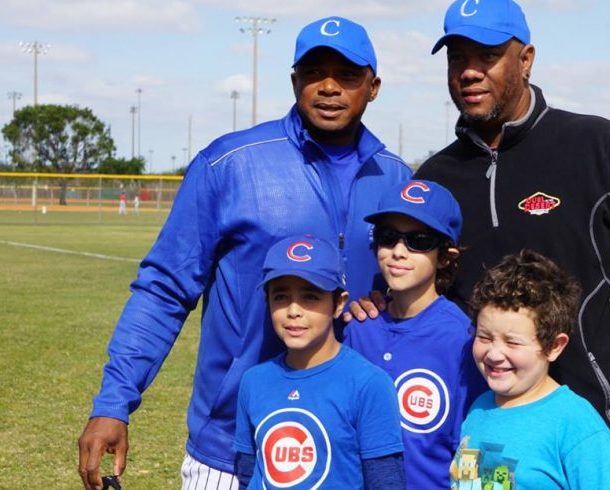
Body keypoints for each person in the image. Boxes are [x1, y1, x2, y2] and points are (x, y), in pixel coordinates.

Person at [77, 16, 411, 490]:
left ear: (373, 87)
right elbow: (164, 290)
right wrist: (114, 401)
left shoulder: (396, 180)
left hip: (346, 446)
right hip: (232, 445)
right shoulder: (230, 164)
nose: (330, 87)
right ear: (295, 80)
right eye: (315, 71)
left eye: (348, 74)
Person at [413, 0, 610, 478]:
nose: (470, 72)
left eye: (487, 55)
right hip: (491, 433)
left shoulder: (597, 147)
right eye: (458, 58)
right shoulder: (439, 178)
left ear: (526, 59)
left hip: (601, 433)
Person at [343, 180, 485, 489]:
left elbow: (473, 444)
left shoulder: (462, 339)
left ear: (445, 256)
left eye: (418, 241)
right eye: (387, 237)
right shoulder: (358, 328)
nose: (398, 252)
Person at [235, 235, 405, 489]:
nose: (294, 310)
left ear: (339, 303)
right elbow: (248, 472)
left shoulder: (369, 383)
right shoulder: (253, 381)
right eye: (281, 297)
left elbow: (386, 481)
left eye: (310, 297)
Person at [451, 249, 610, 489]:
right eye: (484, 337)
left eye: (512, 341)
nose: (493, 354)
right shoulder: (479, 407)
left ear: (554, 346)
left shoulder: (576, 424)